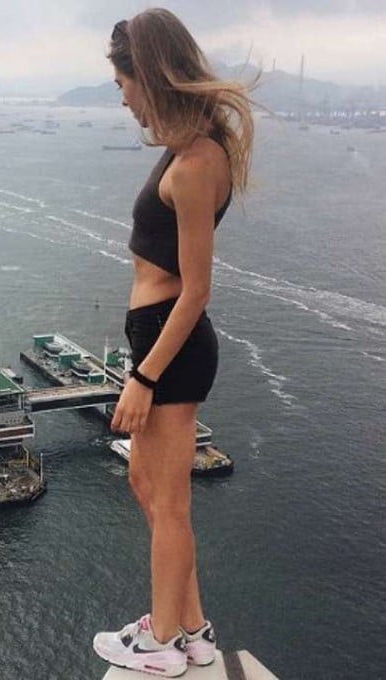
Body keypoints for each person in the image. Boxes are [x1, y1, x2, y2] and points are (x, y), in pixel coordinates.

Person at [92, 8, 255, 678]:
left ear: (150, 75)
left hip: (173, 348)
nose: (123, 97)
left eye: (123, 83)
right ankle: (191, 628)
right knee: (147, 484)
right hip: (159, 341)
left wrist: (143, 377)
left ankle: (161, 641)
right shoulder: (188, 144)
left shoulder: (194, 164)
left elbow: (196, 290)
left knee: (169, 502)